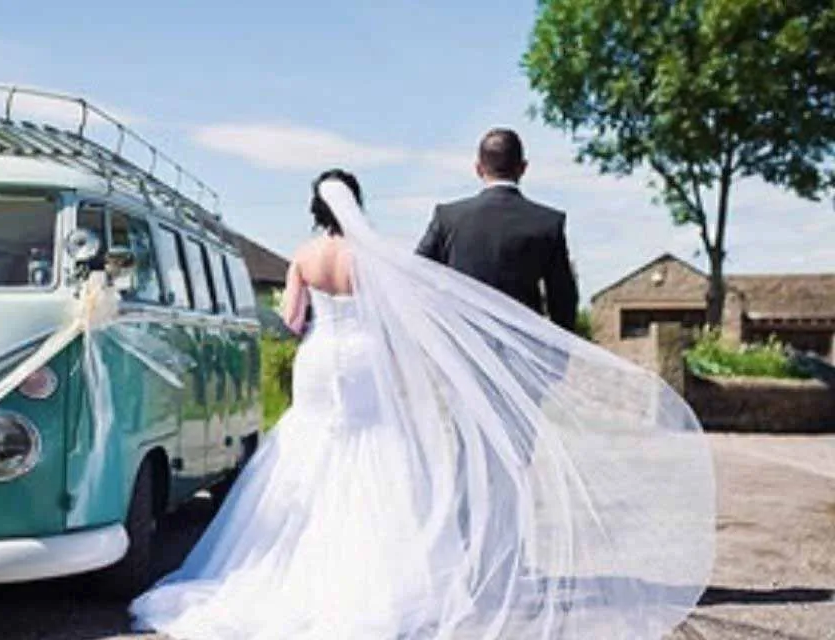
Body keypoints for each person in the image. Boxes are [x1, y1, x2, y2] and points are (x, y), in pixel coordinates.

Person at [129, 170, 715, 639]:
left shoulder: (303, 257)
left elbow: (291, 321)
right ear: (356, 205)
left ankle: (293, 565)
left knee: (309, 454)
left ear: (316, 211)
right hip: (361, 360)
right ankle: (386, 576)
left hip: (319, 363)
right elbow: (401, 317)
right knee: (376, 455)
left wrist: (302, 319)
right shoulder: (375, 258)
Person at [417, 128, 578, 331]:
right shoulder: (547, 223)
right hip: (524, 348)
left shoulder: (447, 217)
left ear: (478, 168)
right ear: (523, 167)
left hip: (464, 346)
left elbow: (416, 275)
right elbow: (563, 300)